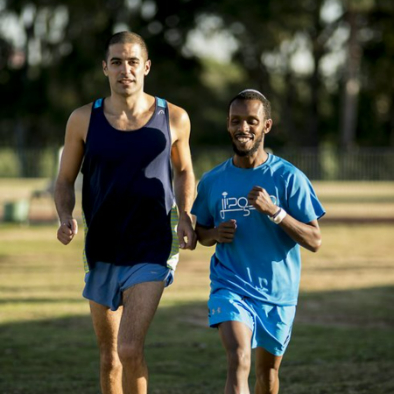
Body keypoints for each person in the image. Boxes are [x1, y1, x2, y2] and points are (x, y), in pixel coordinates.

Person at [54, 31, 196, 394]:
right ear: (105, 68)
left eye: (133, 62)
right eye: (116, 62)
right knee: (109, 359)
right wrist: (65, 215)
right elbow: (65, 179)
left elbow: (183, 171)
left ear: (146, 67)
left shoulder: (174, 117)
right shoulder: (83, 119)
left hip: (152, 246)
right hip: (101, 249)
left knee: (130, 348)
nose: (125, 70)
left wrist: (186, 214)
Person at [191, 89, 325, 394]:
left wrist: (275, 212)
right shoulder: (212, 181)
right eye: (236, 121)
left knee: (267, 375)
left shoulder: (289, 178)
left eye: (252, 120)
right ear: (227, 124)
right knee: (238, 359)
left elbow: (315, 239)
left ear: (266, 126)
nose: (243, 128)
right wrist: (213, 234)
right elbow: (201, 233)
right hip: (231, 285)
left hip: (278, 294)